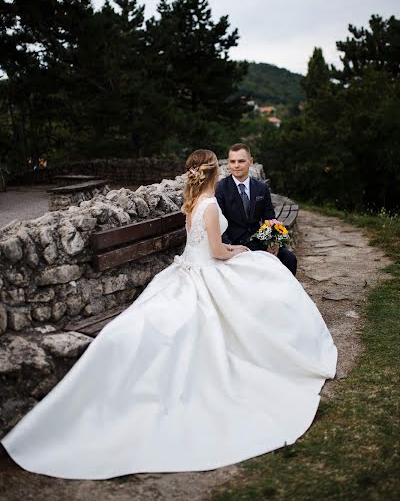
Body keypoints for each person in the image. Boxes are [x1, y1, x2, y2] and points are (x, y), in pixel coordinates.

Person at [1, 149, 337, 480]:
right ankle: (278, 347)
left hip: (186, 269)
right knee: (265, 270)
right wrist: (238, 250)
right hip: (207, 269)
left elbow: (201, 245)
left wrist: (233, 249)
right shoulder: (211, 204)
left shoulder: (192, 203)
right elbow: (218, 252)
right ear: (215, 174)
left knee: (260, 270)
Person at [216, 143, 297, 275]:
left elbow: (269, 219)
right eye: (232, 161)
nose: (236, 165)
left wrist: (273, 242)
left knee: (289, 259)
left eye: (241, 161)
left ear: (250, 162)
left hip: (260, 242)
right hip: (236, 245)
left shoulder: (261, 188)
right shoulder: (221, 188)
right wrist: (230, 249)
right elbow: (219, 223)